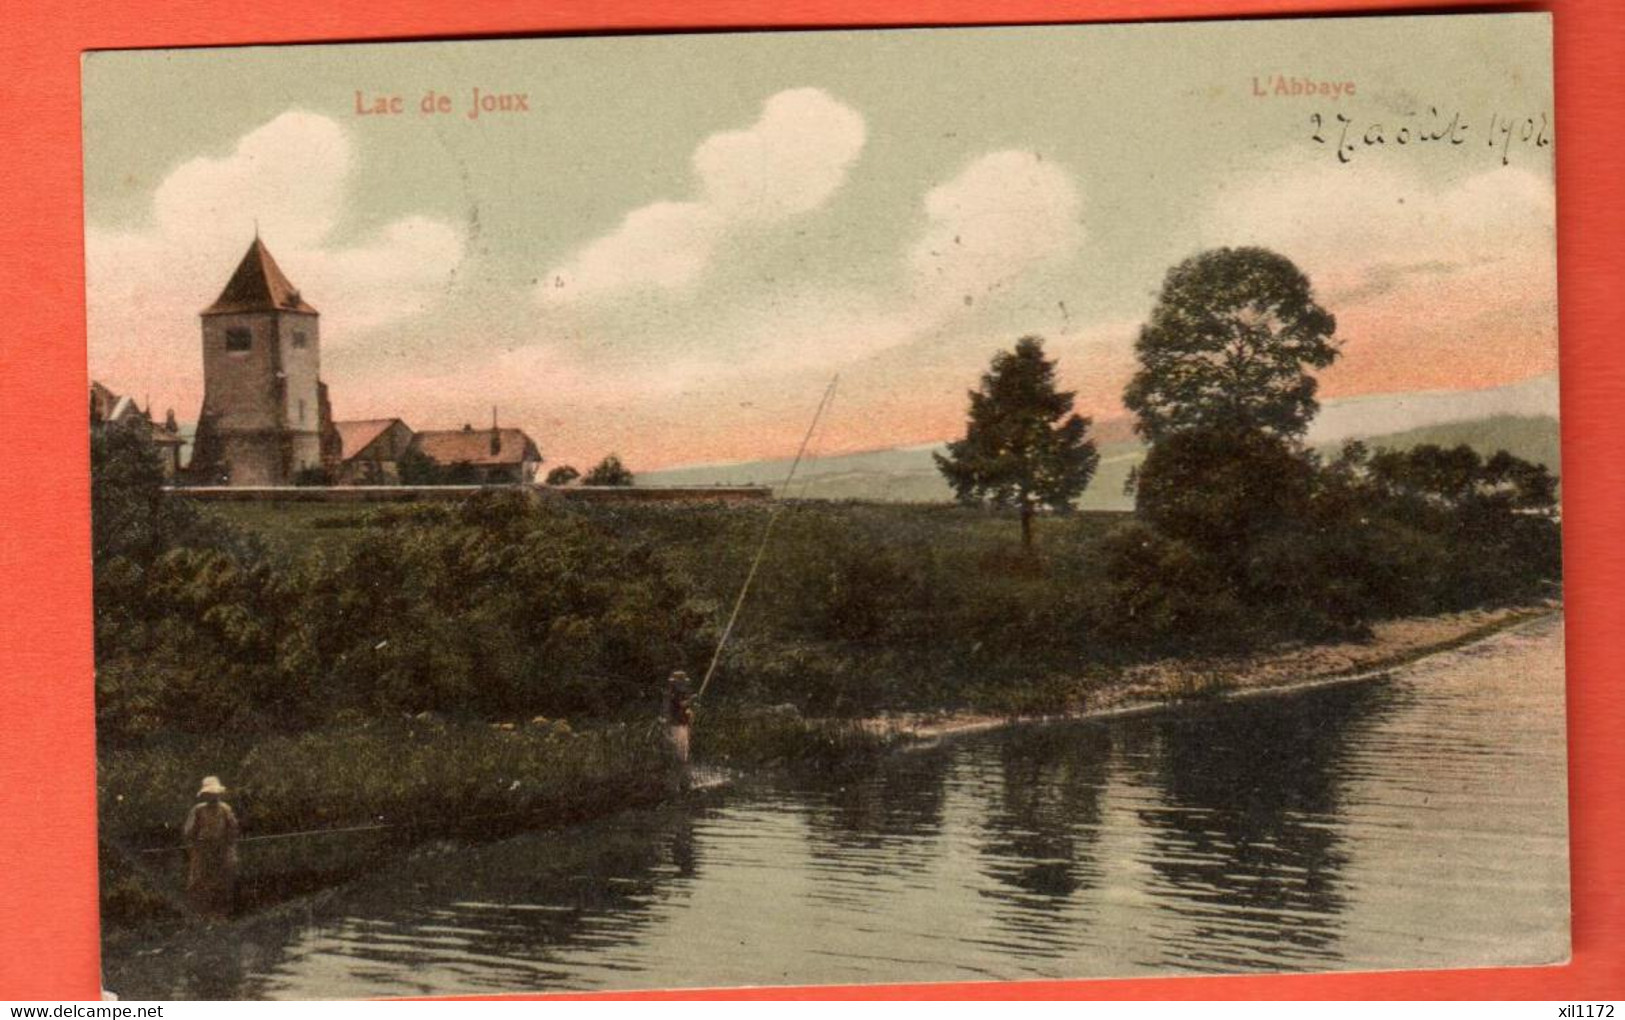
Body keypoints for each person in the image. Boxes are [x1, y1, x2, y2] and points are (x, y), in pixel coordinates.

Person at [183, 775, 240, 919]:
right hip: (203, 849)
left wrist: (228, 847)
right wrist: (195, 847)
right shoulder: (198, 810)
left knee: (222, 880)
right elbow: (189, 832)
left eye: (214, 794)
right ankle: (201, 914)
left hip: (221, 849)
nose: (212, 797)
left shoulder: (225, 809)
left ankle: (221, 914)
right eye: (209, 794)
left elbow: (233, 829)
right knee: (200, 881)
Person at [664, 670, 695, 765]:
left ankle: (682, 766)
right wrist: (692, 699)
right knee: (679, 747)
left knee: (683, 747)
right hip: (676, 724)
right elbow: (681, 704)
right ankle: (679, 766)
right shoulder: (673, 694)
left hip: (682, 723)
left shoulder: (680, 694)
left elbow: (686, 707)